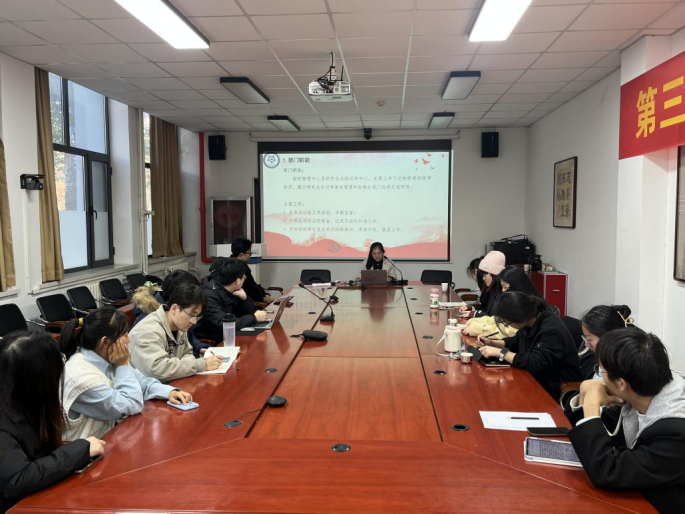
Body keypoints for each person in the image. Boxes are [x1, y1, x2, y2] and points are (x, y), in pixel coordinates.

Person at [567, 329, 685, 512]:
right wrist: (585, 392)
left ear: (621, 383)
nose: (600, 378)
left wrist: (591, 404)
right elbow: (600, 431)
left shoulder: (676, 433)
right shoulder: (645, 387)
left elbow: (608, 471)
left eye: (601, 370)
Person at [0, 331, 105, 513]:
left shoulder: (24, 400)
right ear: (39, 375)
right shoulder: (4, 420)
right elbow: (17, 479)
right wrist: (80, 450)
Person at [59, 308, 193, 441]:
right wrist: (122, 365)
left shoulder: (107, 357)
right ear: (105, 342)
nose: (129, 341)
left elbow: (142, 383)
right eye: (125, 335)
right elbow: (130, 405)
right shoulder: (81, 377)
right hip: (84, 450)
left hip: (107, 440)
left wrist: (169, 392)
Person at [477, 291, 581, 399]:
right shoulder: (530, 321)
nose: (507, 325)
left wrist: (500, 353)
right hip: (535, 378)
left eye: (507, 322)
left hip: (556, 389)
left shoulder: (552, 330)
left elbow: (535, 362)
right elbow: (516, 341)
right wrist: (492, 342)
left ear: (519, 317)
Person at [129, 283, 222, 383]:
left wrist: (189, 365)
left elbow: (187, 353)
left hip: (170, 383)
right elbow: (156, 370)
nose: (194, 322)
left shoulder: (179, 325)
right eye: (192, 315)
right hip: (141, 389)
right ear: (174, 309)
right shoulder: (148, 331)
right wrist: (201, 365)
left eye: (197, 316)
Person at [132, 270, 210, 357]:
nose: (194, 321)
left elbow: (188, 338)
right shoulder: (148, 324)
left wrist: (199, 348)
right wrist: (200, 363)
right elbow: (159, 363)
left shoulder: (179, 315)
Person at [195, 257, 268, 343]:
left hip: (230, 335)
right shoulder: (208, 296)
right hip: (215, 340)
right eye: (244, 277)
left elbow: (248, 313)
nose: (244, 279)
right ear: (238, 281)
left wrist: (244, 299)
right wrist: (254, 318)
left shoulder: (232, 289)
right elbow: (224, 323)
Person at [580, 305, 635, 380]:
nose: (586, 344)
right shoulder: (602, 358)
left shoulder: (619, 366)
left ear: (608, 337)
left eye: (589, 340)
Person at [459, 250, 505, 318]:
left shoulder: (500, 291)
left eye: (484, 274)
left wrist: (475, 314)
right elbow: (485, 309)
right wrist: (472, 309)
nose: (482, 278)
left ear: (492, 273)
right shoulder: (492, 289)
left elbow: (493, 318)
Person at [231, 237, 274, 305]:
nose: (250, 255)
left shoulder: (239, 265)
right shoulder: (238, 269)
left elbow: (253, 285)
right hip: (247, 305)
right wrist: (263, 299)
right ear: (241, 254)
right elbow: (248, 291)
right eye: (249, 253)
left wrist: (263, 295)